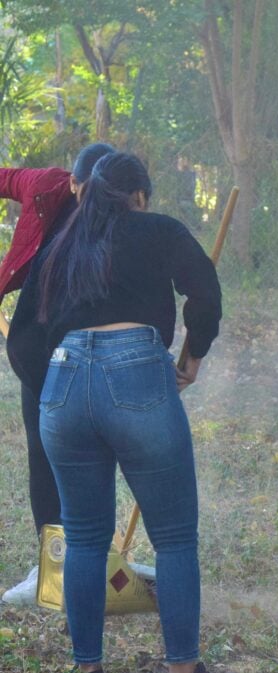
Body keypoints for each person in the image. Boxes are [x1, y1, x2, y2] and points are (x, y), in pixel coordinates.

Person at [14, 152, 223, 673]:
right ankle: (182, 670)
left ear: (90, 192)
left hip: (62, 384)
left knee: (84, 538)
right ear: (139, 197)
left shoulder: (63, 243)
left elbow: (33, 327)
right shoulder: (158, 229)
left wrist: (53, 393)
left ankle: (88, 671)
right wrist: (193, 355)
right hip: (134, 371)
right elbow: (204, 290)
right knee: (174, 536)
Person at [0, 143, 116, 606]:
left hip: (99, 346)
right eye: (82, 190)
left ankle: (95, 561)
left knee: (95, 450)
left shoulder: (127, 212)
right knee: (42, 450)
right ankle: (53, 565)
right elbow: (6, 178)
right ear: (71, 181)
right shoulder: (46, 187)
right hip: (40, 345)